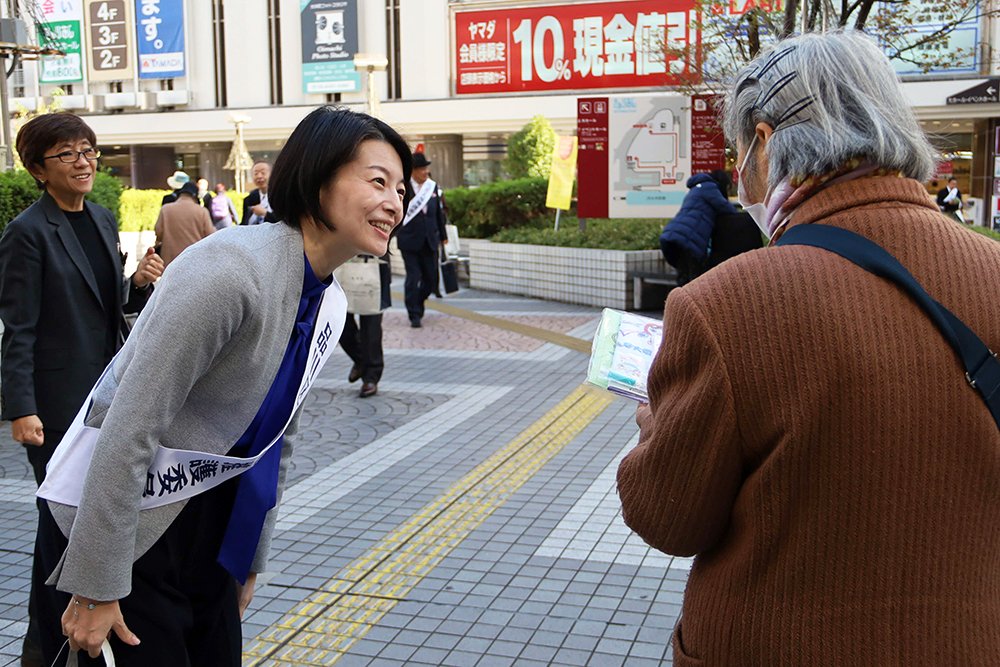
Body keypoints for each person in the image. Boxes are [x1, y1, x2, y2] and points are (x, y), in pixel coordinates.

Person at [617, 32, 1000, 666]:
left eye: (743, 151)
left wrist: (654, 421)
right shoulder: (992, 271)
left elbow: (668, 517)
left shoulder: (722, 304)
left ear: (765, 144)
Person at [37, 105, 410, 667]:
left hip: (210, 523)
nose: (394, 203)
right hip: (125, 522)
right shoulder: (230, 272)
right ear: (316, 176)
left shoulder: (324, 297)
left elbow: (274, 444)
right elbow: (128, 427)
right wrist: (95, 585)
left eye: (400, 189)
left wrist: (246, 559)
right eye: (377, 181)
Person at [0, 112, 162, 667]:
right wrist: (20, 408)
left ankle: (54, 640)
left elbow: (101, 302)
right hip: (54, 404)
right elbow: (18, 328)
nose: (84, 161)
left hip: (104, 398)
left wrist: (136, 284)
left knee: (80, 520)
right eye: (67, 153)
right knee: (59, 521)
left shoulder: (98, 217)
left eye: (88, 150)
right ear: (39, 170)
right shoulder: (25, 233)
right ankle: (48, 641)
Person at [396, 152, 447, 327]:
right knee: (413, 277)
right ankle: (414, 314)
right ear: (413, 171)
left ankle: (418, 302)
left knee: (431, 279)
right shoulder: (402, 188)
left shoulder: (432, 187)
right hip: (409, 241)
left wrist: (443, 236)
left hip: (430, 240)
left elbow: (439, 213)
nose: (426, 172)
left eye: (427, 168)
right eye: (422, 169)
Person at [658, 169, 736, 284]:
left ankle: (677, 300)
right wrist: (744, 217)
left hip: (673, 234)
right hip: (686, 238)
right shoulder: (709, 187)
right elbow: (724, 206)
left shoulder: (696, 189)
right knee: (693, 279)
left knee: (684, 278)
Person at [339, 253, 391, 397]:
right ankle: (361, 360)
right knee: (340, 322)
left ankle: (371, 376)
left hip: (374, 259)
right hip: (341, 261)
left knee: (371, 326)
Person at [153, 181, 216, 267]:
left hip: (170, 260)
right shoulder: (202, 211)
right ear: (194, 196)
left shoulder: (166, 209)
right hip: (194, 259)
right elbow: (210, 235)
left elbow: (158, 232)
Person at [240, 161, 277, 225]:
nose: (259, 176)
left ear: (272, 174)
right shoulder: (249, 199)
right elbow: (244, 223)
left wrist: (265, 213)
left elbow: (284, 222)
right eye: (256, 173)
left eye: (263, 173)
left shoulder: (280, 196)